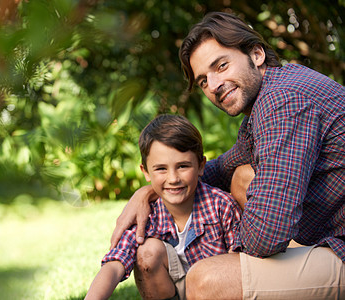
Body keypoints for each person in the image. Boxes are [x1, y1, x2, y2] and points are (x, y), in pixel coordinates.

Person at [111, 12, 345, 299]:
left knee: (207, 279)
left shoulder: (284, 100)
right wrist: (149, 192)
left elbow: (266, 235)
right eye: (203, 81)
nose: (214, 85)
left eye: (221, 66)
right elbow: (220, 169)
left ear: (256, 54)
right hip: (328, 234)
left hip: (340, 246)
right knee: (241, 176)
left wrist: (224, 244)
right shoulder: (268, 99)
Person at [85, 114, 241, 299]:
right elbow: (115, 263)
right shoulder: (146, 214)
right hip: (174, 290)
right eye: (161, 169)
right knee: (147, 251)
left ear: (201, 166)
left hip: (215, 290)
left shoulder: (222, 206)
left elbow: (239, 268)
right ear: (146, 172)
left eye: (183, 166)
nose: (173, 179)